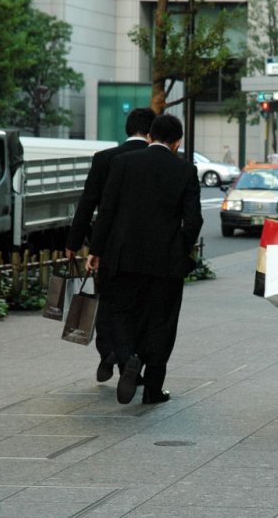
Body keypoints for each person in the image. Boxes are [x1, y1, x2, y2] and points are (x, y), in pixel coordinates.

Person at [87, 114, 203, 405]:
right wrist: (180, 247)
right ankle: (153, 390)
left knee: (121, 313)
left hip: (122, 258)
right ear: (178, 142)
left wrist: (96, 251)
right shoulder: (185, 170)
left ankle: (128, 361)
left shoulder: (123, 164)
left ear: (149, 136)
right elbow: (194, 221)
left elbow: (107, 211)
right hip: (165, 263)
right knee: (161, 322)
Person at [65, 107, 156, 384]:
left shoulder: (104, 158)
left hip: (106, 246)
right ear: (151, 132)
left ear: (127, 129)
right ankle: (130, 361)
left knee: (107, 302)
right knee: (139, 307)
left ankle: (109, 352)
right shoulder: (155, 160)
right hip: (145, 248)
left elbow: (88, 202)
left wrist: (74, 241)